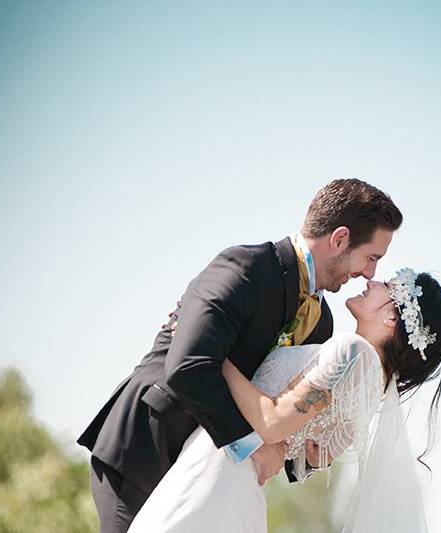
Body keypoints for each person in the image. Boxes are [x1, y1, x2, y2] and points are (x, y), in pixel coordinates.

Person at [77, 178, 403, 532]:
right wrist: (251, 446)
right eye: (372, 257)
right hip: (150, 446)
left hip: (216, 472)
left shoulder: (322, 323)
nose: (370, 273)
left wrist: (308, 453)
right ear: (339, 239)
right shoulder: (247, 267)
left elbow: (286, 413)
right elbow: (189, 366)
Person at [128, 269, 441, 533]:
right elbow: (315, 458)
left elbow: (272, 423)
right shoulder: (370, 389)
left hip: (222, 471)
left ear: (392, 318)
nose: (371, 280)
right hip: (242, 480)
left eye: (386, 284)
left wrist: (207, 345)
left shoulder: (351, 352)